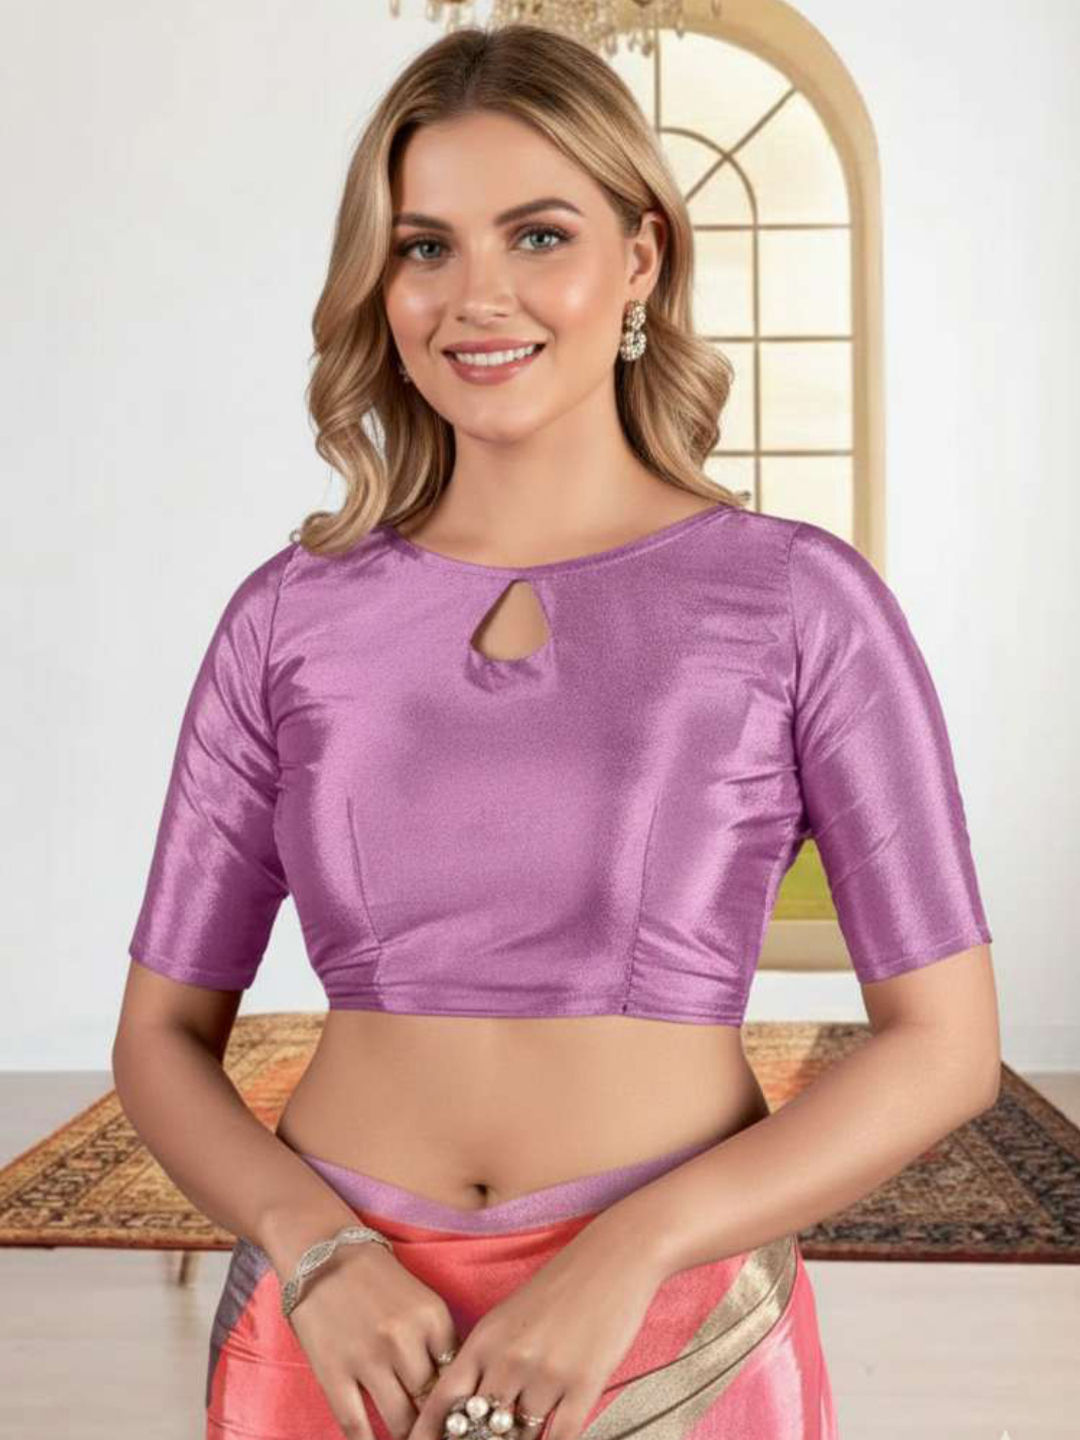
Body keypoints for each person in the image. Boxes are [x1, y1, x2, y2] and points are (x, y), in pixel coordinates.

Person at [111, 22, 1000, 1440]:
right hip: (337, 1337)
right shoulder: (287, 616)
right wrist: (316, 1251)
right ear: (380, 281)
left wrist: (630, 1254)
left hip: (675, 1330)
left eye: (538, 235)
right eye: (426, 247)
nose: (479, 296)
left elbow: (945, 1047)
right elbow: (160, 1035)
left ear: (640, 259)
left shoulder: (797, 601)